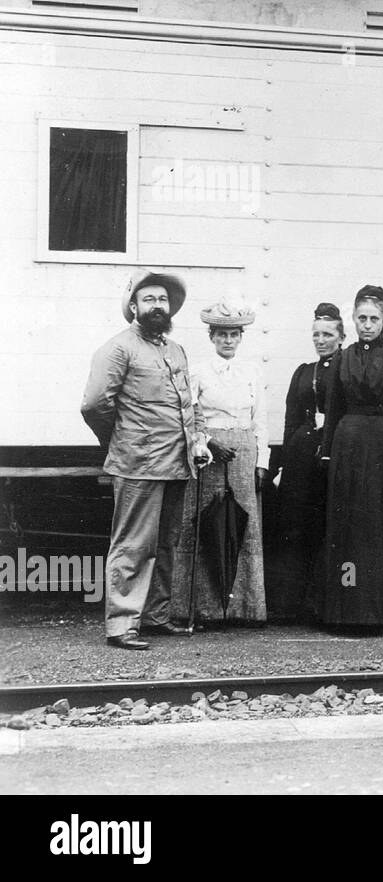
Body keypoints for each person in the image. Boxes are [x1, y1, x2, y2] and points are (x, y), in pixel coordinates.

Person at [81, 270, 211, 650]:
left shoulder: (176, 350)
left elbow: (189, 404)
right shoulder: (118, 349)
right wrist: (121, 440)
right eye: (149, 299)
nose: (157, 306)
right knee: (133, 545)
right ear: (134, 306)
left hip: (177, 463)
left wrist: (198, 440)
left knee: (166, 544)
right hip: (137, 465)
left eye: (163, 300)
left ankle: (155, 617)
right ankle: (122, 625)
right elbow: (94, 405)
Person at [316, 285, 383, 627]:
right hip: (348, 446)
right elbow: (332, 410)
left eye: (375, 318)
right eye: (362, 318)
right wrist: (328, 455)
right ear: (353, 320)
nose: (368, 324)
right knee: (350, 529)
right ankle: (349, 608)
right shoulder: (343, 358)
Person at [175, 298, 269, 626]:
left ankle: (244, 608)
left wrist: (262, 463)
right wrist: (208, 444)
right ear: (212, 337)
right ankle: (204, 608)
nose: (228, 341)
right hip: (209, 454)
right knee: (206, 521)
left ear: (241, 337)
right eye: (222, 335)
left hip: (243, 450)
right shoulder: (198, 371)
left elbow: (261, 420)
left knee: (242, 526)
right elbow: (190, 416)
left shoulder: (252, 371)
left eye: (234, 335)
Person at [267, 302, 344, 620]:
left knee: (326, 527)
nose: (321, 339)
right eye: (316, 334)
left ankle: (323, 602)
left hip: (330, 456)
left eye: (328, 334)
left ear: (341, 336)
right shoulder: (303, 371)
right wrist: (284, 462)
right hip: (300, 458)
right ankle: (291, 603)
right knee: (295, 527)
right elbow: (290, 418)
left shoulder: (348, 368)